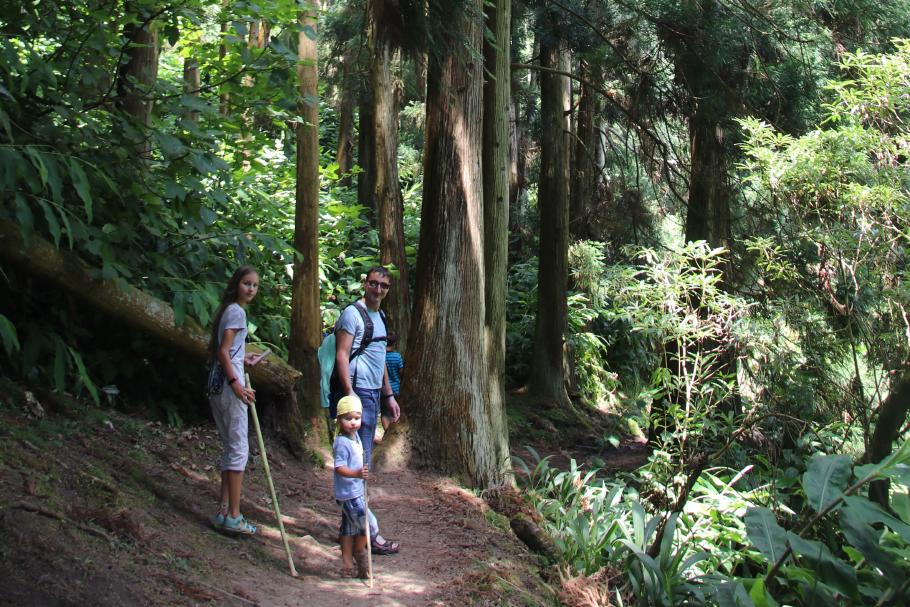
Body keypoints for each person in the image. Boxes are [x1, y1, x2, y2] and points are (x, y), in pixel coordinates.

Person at [331, 266, 401, 554]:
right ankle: (370, 534)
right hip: (357, 394)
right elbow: (342, 354)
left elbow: (379, 358)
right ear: (365, 284)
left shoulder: (380, 317)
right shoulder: (352, 314)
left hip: (373, 394)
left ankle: (351, 530)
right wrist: (349, 396)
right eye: (374, 284)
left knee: (364, 464)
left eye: (383, 285)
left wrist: (389, 395)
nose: (378, 289)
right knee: (358, 466)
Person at [205, 266, 263, 535]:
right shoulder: (236, 312)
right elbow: (224, 351)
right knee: (239, 448)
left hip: (217, 382)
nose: (251, 289)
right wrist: (237, 384)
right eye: (246, 283)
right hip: (228, 387)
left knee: (230, 446)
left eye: (254, 285)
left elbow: (229, 353)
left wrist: (244, 359)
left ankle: (223, 510)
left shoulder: (229, 310)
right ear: (236, 284)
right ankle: (235, 515)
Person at [333, 395, 372, 578]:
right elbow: (339, 467)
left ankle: (347, 565)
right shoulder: (342, 442)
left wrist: (361, 478)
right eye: (348, 418)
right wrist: (356, 474)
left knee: (348, 529)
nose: (353, 423)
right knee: (369, 526)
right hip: (349, 494)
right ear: (339, 419)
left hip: (356, 491)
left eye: (357, 418)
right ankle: (359, 550)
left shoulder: (355, 437)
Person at [374, 333, 403, 444]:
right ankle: (392, 434)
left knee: (385, 413)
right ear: (395, 343)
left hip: (382, 389)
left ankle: (387, 433)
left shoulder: (381, 356)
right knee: (395, 413)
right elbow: (401, 372)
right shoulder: (397, 357)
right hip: (396, 389)